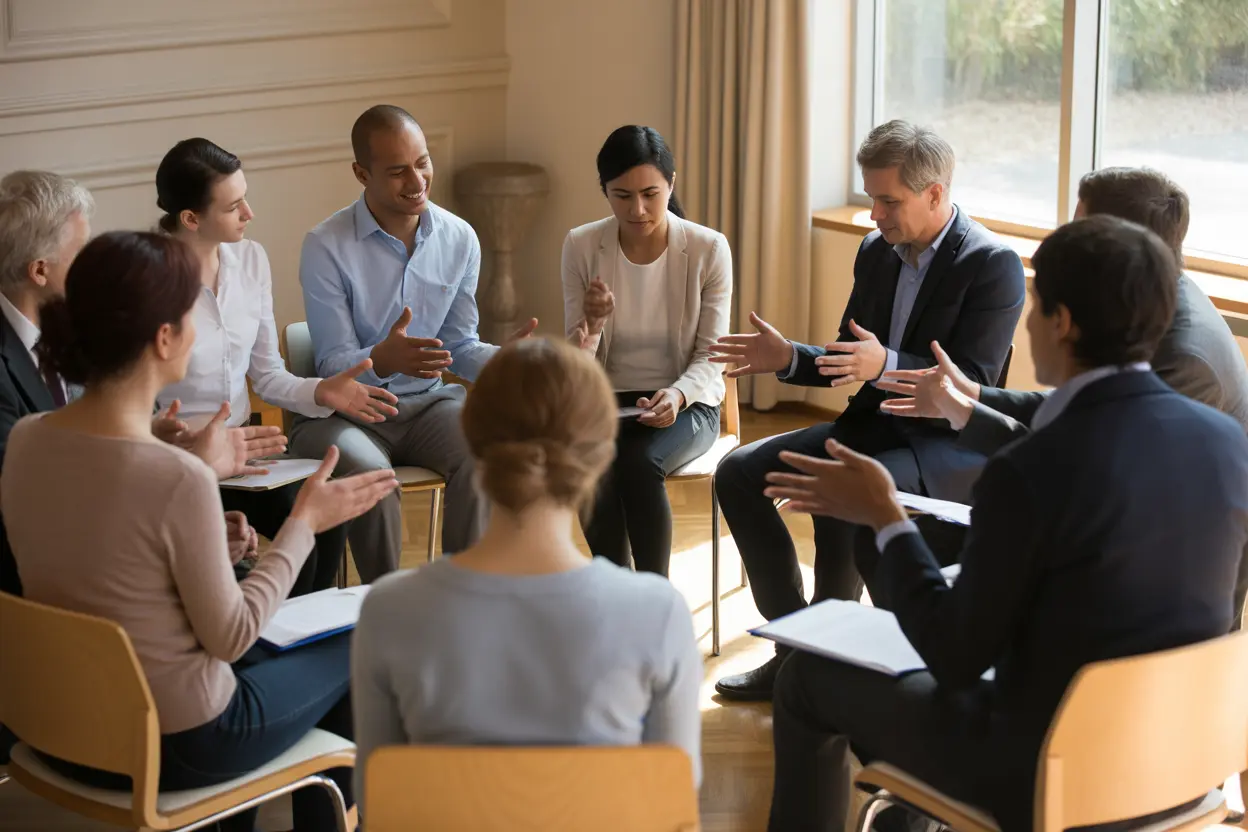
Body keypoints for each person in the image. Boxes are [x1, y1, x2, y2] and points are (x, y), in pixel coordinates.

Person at [761, 216, 1248, 832]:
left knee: (808, 677)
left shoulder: (1031, 470)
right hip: (1180, 757)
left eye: (1036, 303)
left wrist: (887, 518)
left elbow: (954, 656)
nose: (1028, 321)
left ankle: (908, 810)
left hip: (1047, 771)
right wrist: (968, 405)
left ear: (1063, 322)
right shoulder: (1225, 440)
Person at [1, 230, 399, 832]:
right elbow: (233, 636)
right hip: (177, 742)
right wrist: (303, 525)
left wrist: (207, 536)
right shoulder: (174, 477)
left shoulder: (30, 437)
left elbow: (106, 561)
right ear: (165, 338)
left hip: (60, 728)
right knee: (361, 642)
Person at [707, 120, 1025, 701]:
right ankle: (797, 648)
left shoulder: (992, 263)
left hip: (939, 449)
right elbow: (852, 357)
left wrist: (882, 366)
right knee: (738, 472)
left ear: (936, 193)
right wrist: (788, 358)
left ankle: (835, 666)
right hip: (870, 430)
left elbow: (972, 387)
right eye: (871, 197)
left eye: (888, 201)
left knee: (847, 490)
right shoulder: (876, 250)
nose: (874, 215)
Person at [872, 166, 1248, 622]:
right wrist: (972, 396)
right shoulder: (1143, 301)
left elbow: (1087, 466)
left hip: (1156, 586)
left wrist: (967, 424)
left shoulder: (1185, 359)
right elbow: (1076, 414)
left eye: (1078, 226)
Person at [351, 338, 702, 818]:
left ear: (472, 441)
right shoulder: (658, 612)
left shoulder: (389, 609)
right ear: (602, 454)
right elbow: (671, 810)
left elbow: (380, 805)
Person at [293, 105, 537, 582]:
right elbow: (329, 363)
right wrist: (380, 359)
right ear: (361, 173)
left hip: (428, 406)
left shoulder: (460, 238)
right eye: (397, 171)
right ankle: (383, 605)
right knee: (374, 478)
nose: (417, 180)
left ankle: (463, 593)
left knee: (486, 448)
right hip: (349, 412)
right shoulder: (325, 245)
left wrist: (505, 364)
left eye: (423, 162)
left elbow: (459, 346)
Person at [153, 138, 400, 594]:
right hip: (178, 464)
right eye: (233, 206)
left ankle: (295, 639)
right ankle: (260, 640)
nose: (249, 213)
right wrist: (186, 444)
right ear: (190, 219)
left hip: (248, 454)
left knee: (320, 523)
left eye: (245, 197)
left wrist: (321, 390)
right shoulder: (147, 277)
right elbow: (131, 397)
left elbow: (267, 375)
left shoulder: (251, 260)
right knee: (239, 571)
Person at [562, 125, 731, 576]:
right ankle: (615, 588)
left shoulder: (708, 249)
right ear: (605, 192)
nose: (637, 209)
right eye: (621, 196)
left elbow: (712, 355)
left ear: (671, 183)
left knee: (638, 461)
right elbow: (577, 370)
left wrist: (675, 395)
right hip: (607, 401)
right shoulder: (581, 245)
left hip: (688, 403)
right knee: (587, 456)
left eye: (650, 194)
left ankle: (653, 596)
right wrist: (593, 324)